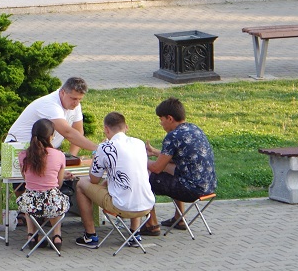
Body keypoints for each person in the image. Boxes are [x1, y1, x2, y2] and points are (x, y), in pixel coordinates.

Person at [74, 111, 155, 248]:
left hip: (122, 206)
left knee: (81, 183)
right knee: (134, 181)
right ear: (126, 127)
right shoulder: (139, 144)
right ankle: (135, 234)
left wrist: (95, 157)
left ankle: (90, 235)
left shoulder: (105, 147)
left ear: (106, 129)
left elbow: (93, 180)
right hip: (147, 205)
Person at [137, 98, 216, 236]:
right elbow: (179, 157)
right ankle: (179, 218)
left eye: (161, 119)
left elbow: (156, 168)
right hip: (208, 186)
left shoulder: (173, 136)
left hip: (190, 190)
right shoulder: (194, 129)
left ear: (170, 118)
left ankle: (151, 224)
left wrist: (138, 160)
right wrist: (155, 152)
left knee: (143, 178)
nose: (160, 123)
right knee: (173, 171)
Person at [5, 76, 97, 155]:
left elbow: (78, 132)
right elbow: (68, 133)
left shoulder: (75, 105)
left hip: (41, 151)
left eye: (80, 99)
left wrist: (72, 156)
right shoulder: (50, 104)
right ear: (62, 92)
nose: (76, 103)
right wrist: (98, 148)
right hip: (18, 149)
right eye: (73, 98)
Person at [17, 117, 70, 250]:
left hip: (31, 204)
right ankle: (57, 236)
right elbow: (58, 183)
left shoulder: (23, 155)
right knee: (56, 196)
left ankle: (32, 235)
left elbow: (27, 180)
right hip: (52, 204)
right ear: (51, 136)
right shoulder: (59, 155)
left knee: (29, 193)